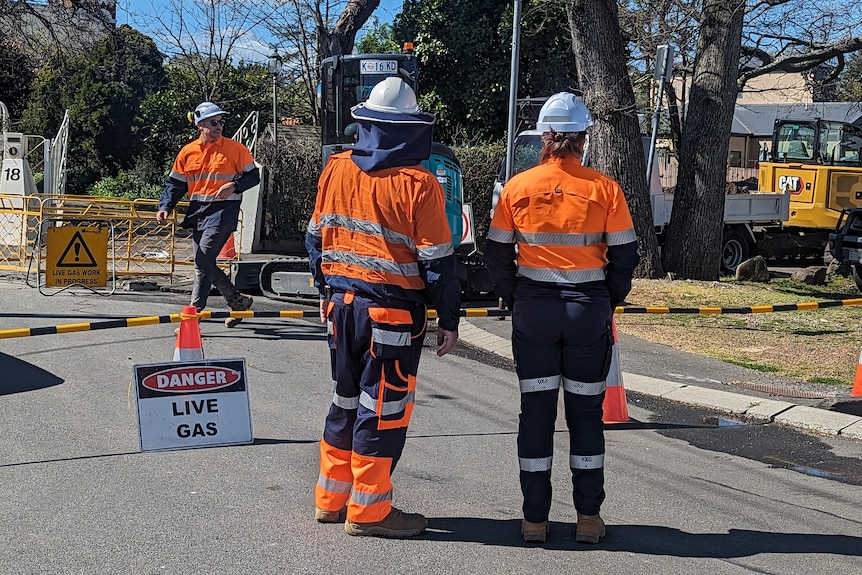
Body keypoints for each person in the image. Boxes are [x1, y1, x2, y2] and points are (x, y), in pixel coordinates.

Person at [306, 77, 461, 538]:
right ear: (411, 130)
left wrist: (324, 292)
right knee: (382, 410)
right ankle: (370, 512)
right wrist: (448, 320)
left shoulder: (335, 168)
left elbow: (315, 239)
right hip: (391, 316)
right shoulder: (420, 183)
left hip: (340, 307)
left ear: (367, 123)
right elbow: (437, 264)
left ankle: (330, 500)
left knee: (344, 401)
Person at [484, 92, 639, 544]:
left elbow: (495, 255)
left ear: (545, 138)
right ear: (583, 139)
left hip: (534, 310)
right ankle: (588, 519)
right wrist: (606, 298)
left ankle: (535, 520)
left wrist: (516, 294)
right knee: (586, 414)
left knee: (536, 412)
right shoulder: (605, 189)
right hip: (587, 310)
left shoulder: (517, 187)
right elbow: (626, 256)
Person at [157, 101, 259, 328]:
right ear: (199, 124)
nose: (219, 125)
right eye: (214, 122)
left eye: (221, 121)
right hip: (198, 213)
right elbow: (175, 184)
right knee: (203, 263)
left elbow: (253, 177)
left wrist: (235, 185)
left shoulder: (236, 149)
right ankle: (236, 300)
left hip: (223, 212)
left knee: (202, 262)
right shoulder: (187, 152)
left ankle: (192, 318)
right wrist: (165, 206)